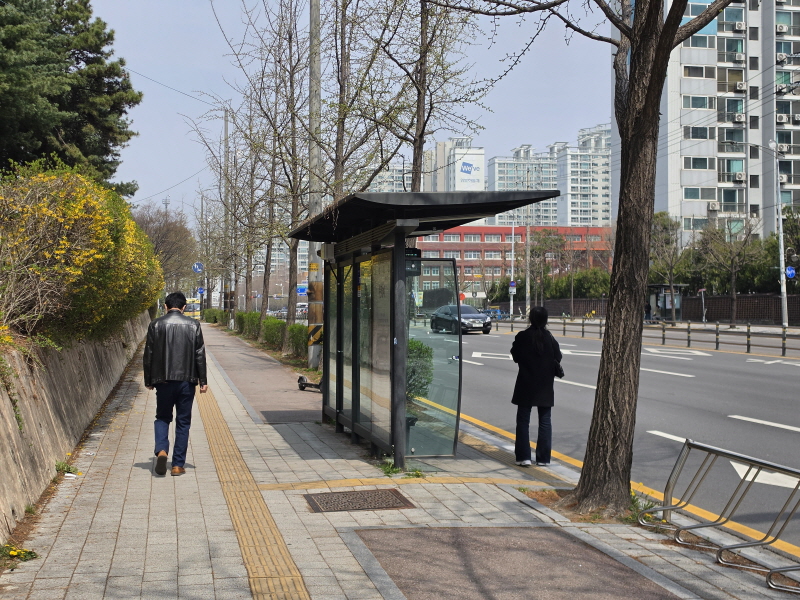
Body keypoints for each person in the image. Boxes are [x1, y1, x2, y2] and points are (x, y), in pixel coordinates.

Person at [143, 292, 208, 476]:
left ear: (165, 306)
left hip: (163, 381)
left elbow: (149, 354)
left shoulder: (156, 324)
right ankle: (178, 465)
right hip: (187, 381)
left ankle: (162, 450)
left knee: (162, 417)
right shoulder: (193, 325)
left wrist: (149, 380)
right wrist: (203, 381)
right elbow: (199, 354)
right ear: (184, 307)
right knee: (183, 422)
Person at [510, 306, 562, 467]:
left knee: (523, 420)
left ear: (530, 319)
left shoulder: (522, 336)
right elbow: (558, 356)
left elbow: (516, 356)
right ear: (546, 320)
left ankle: (523, 457)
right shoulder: (549, 338)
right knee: (545, 420)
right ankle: (543, 459)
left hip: (525, 383)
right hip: (545, 385)